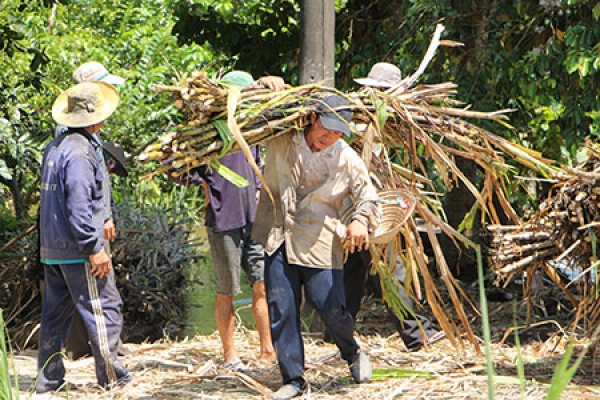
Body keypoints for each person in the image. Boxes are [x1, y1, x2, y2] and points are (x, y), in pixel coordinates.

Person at [253, 94, 381, 400]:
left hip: (319, 239)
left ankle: (352, 353)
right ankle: (294, 379)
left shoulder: (345, 157)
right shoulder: (283, 139)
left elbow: (368, 196)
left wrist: (361, 220)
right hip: (279, 233)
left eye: (338, 132)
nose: (330, 136)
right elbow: (256, 118)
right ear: (312, 118)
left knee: (330, 307)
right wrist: (268, 86)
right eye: (327, 128)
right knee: (281, 308)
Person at [167, 73, 282, 370]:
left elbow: (256, 164)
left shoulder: (248, 127)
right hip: (223, 218)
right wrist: (202, 182)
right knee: (227, 289)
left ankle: (267, 350)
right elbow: (174, 165)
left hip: (253, 217)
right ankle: (230, 354)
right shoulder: (207, 131)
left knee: (262, 284)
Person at [37, 81, 131, 393]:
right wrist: (94, 247)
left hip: (53, 248)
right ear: (94, 117)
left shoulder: (56, 146)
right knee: (104, 308)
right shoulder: (79, 152)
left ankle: (47, 381)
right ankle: (112, 377)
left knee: (54, 316)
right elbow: (78, 204)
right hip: (77, 248)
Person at [347, 62, 445, 351]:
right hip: (366, 208)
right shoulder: (362, 122)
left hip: (360, 206)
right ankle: (416, 334)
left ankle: (336, 330)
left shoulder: (376, 122)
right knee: (390, 269)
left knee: (352, 271)